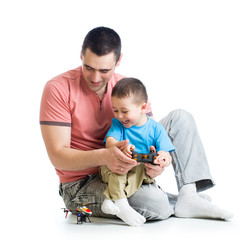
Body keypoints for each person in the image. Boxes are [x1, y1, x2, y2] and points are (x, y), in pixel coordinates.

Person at [40, 26, 233, 226]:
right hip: (82, 185)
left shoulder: (129, 89)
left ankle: (188, 194)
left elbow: (151, 136)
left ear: (118, 60)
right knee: (155, 204)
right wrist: (105, 156)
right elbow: (57, 156)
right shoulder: (57, 89)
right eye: (89, 67)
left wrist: (156, 164)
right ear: (81, 55)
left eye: (105, 70)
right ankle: (178, 203)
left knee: (180, 118)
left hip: (129, 171)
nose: (95, 78)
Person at [100, 77, 175, 227]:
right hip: (116, 168)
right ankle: (120, 202)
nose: (119, 116)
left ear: (142, 108)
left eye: (124, 111)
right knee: (117, 168)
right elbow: (110, 143)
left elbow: (166, 154)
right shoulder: (118, 124)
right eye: (115, 110)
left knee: (137, 172)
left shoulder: (156, 128)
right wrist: (121, 147)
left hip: (140, 172)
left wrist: (164, 158)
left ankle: (110, 199)